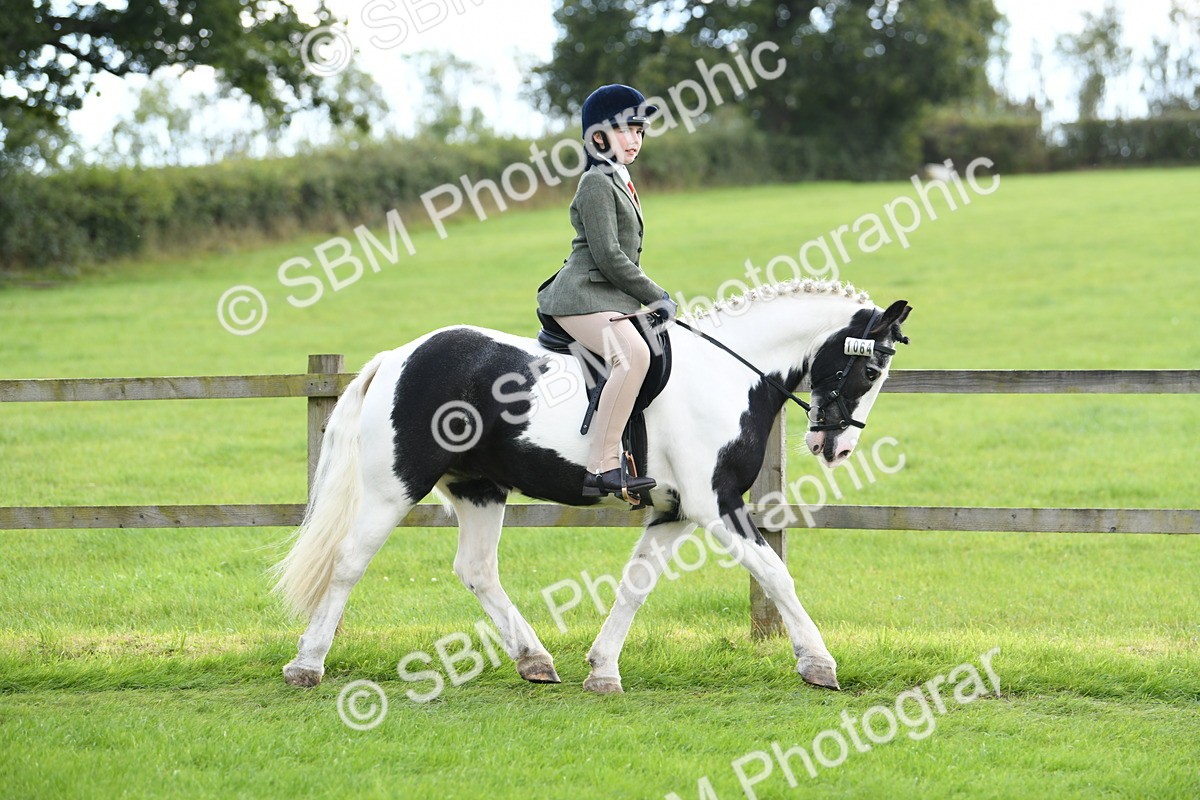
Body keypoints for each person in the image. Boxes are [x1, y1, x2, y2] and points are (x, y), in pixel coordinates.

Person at [536, 84, 677, 499]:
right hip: (579, 297)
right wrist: (657, 295)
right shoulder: (596, 183)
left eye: (639, 131)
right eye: (625, 131)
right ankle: (601, 466)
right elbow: (611, 257)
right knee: (631, 354)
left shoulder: (621, 180)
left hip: (608, 299)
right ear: (598, 137)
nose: (634, 139)